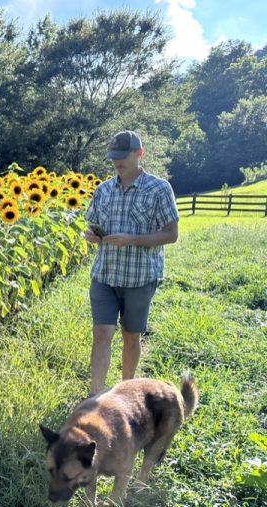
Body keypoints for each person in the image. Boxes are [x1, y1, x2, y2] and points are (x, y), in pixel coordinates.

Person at [84, 130, 179, 394]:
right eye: (113, 157)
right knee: (101, 333)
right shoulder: (103, 190)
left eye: (123, 156)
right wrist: (92, 235)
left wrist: (132, 240)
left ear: (139, 154)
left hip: (139, 277)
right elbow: (92, 224)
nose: (117, 162)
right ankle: (95, 396)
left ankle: (126, 392)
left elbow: (171, 234)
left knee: (130, 336)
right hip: (105, 274)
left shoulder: (159, 189)